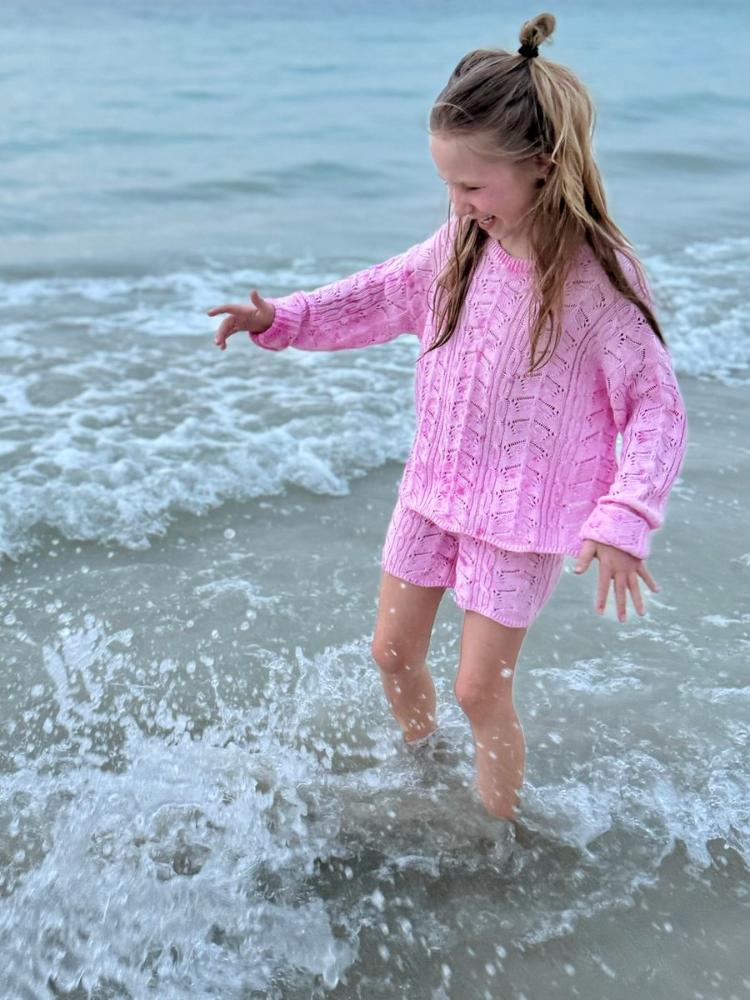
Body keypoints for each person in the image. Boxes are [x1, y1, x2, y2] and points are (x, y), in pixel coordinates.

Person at [206, 12, 688, 829]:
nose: (458, 203)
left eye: (473, 186)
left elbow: (655, 407)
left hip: (522, 514)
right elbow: (376, 295)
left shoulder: (600, 278)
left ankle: (498, 836)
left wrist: (625, 515)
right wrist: (281, 319)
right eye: (449, 186)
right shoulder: (461, 245)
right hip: (434, 488)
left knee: (478, 690)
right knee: (391, 652)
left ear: (542, 166)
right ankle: (425, 771)